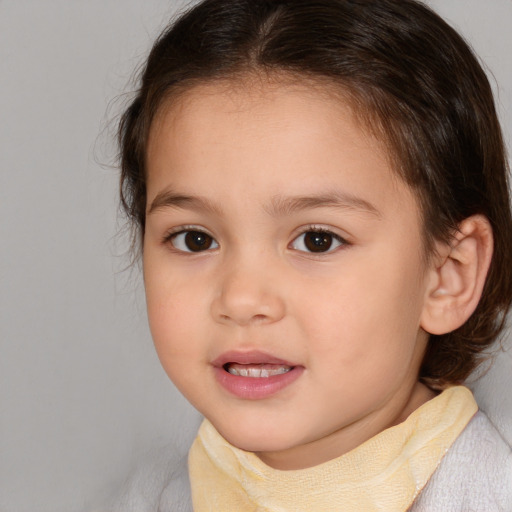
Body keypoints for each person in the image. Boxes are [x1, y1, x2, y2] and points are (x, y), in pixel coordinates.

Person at [114, 0, 512, 510]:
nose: (241, 299)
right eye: (196, 239)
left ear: (446, 276)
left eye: (316, 240)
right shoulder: (149, 495)